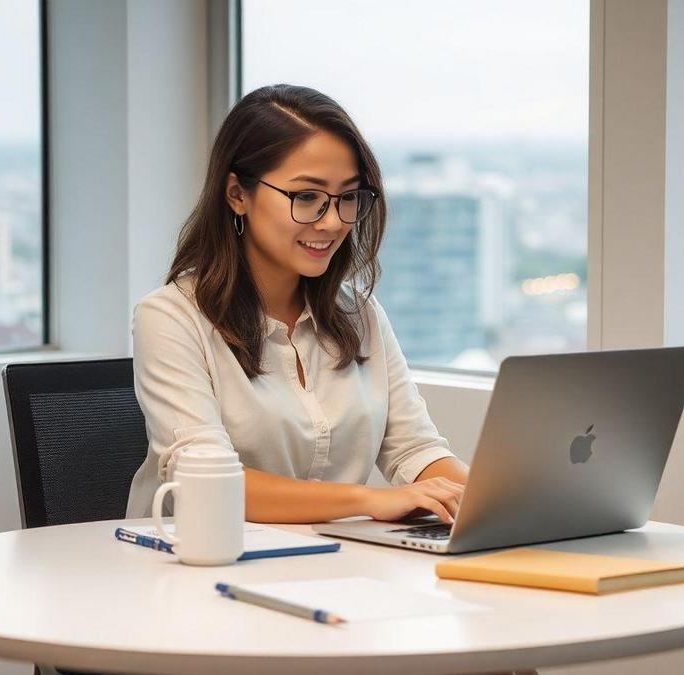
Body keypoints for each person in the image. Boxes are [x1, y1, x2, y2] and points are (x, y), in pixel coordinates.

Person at [125, 84, 470, 525]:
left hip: (330, 563)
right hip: (197, 566)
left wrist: (493, 501)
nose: (332, 221)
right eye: (306, 197)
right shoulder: (171, 318)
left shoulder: (359, 315)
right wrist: (367, 500)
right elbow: (207, 481)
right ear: (237, 194)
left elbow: (416, 450)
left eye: (348, 197)